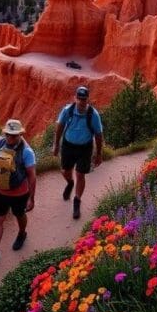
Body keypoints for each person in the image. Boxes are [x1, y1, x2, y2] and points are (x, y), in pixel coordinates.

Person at [0, 119, 37, 266]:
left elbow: (32, 175)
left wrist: (31, 198)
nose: (10, 138)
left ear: (20, 134)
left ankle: (22, 233)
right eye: (8, 134)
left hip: (19, 194)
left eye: (14, 135)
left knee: (19, 215)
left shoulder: (27, 152)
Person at [52, 85, 103, 220]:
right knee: (65, 171)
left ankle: (77, 200)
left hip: (85, 148)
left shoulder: (93, 114)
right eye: (79, 98)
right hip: (68, 145)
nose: (81, 102)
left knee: (80, 174)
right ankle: (70, 183)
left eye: (84, 99)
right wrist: (56, 145)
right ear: (75, 98)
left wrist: (99, 154)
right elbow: (60, 127)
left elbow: (98, 135)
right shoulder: (67, 111)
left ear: (87, 100)